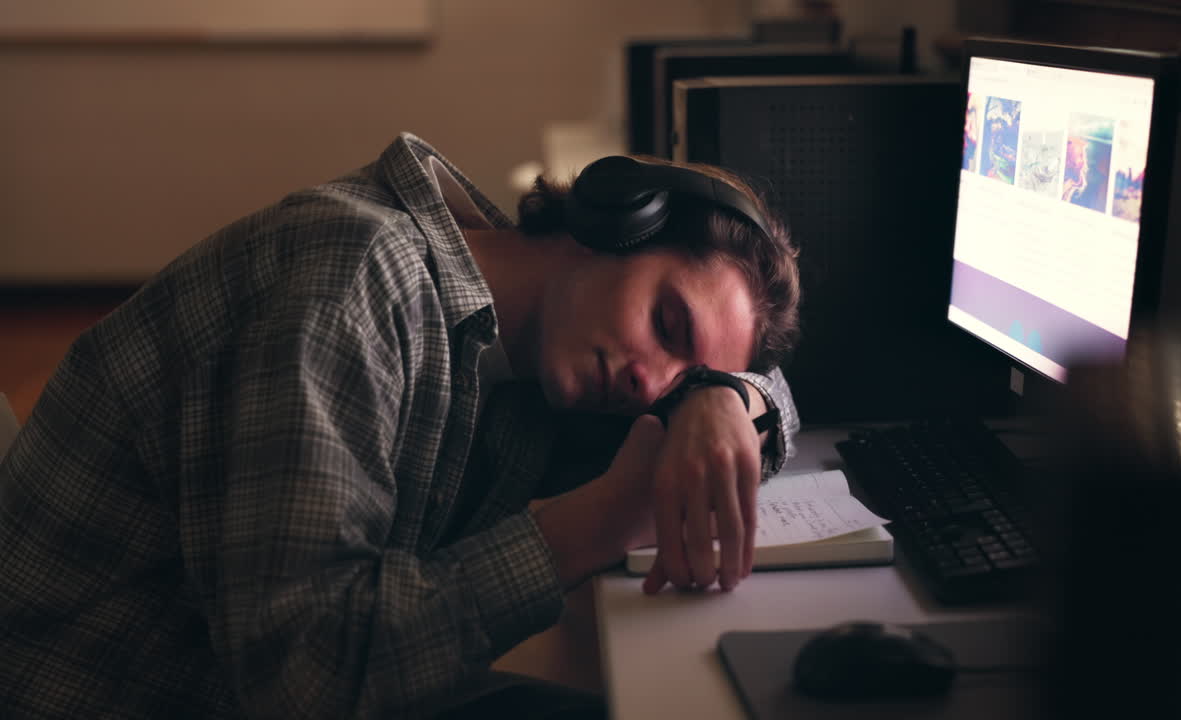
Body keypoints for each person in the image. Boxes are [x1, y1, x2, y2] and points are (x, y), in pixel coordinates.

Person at [0, 132, 802, 718]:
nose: (649, 384)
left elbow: (786, 392)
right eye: (667, 322)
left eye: (680, 377)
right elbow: (304, 681)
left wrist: (728, 401)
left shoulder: (522, 349)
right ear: (609, 221)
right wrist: (598, 523)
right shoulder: (357, 278)